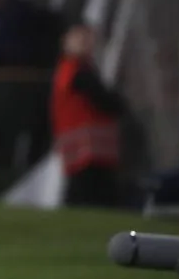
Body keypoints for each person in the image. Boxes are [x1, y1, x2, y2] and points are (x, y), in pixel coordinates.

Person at [51, 23, 127, 208]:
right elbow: (104, 99)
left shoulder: (74, 70)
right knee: (90, 191)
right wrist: (118, 104)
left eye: (87, 38)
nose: (85, 43)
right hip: (86, 146)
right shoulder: (75, 71)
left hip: (85, 146)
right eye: (79, 38)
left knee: (87, 189)